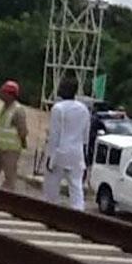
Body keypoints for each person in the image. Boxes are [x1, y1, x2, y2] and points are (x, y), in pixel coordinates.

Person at [43, 77, 91, 210]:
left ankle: (50, 210)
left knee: (51, 185)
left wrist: (50, 157)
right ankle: (78, 212)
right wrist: (85, 157)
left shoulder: (58, 109)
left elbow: (55, 135)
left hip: (60, 152)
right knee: (76, 187)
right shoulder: (83, 109)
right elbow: (86, 135)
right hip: (77, 152)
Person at [0, 80, 28, 190]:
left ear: (11, 95)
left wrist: (23, 143)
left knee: (9, 177)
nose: (1, 94)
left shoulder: (18, 111)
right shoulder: (1, 107)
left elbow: (22, 131)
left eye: (4, 92)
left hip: (11, 149)